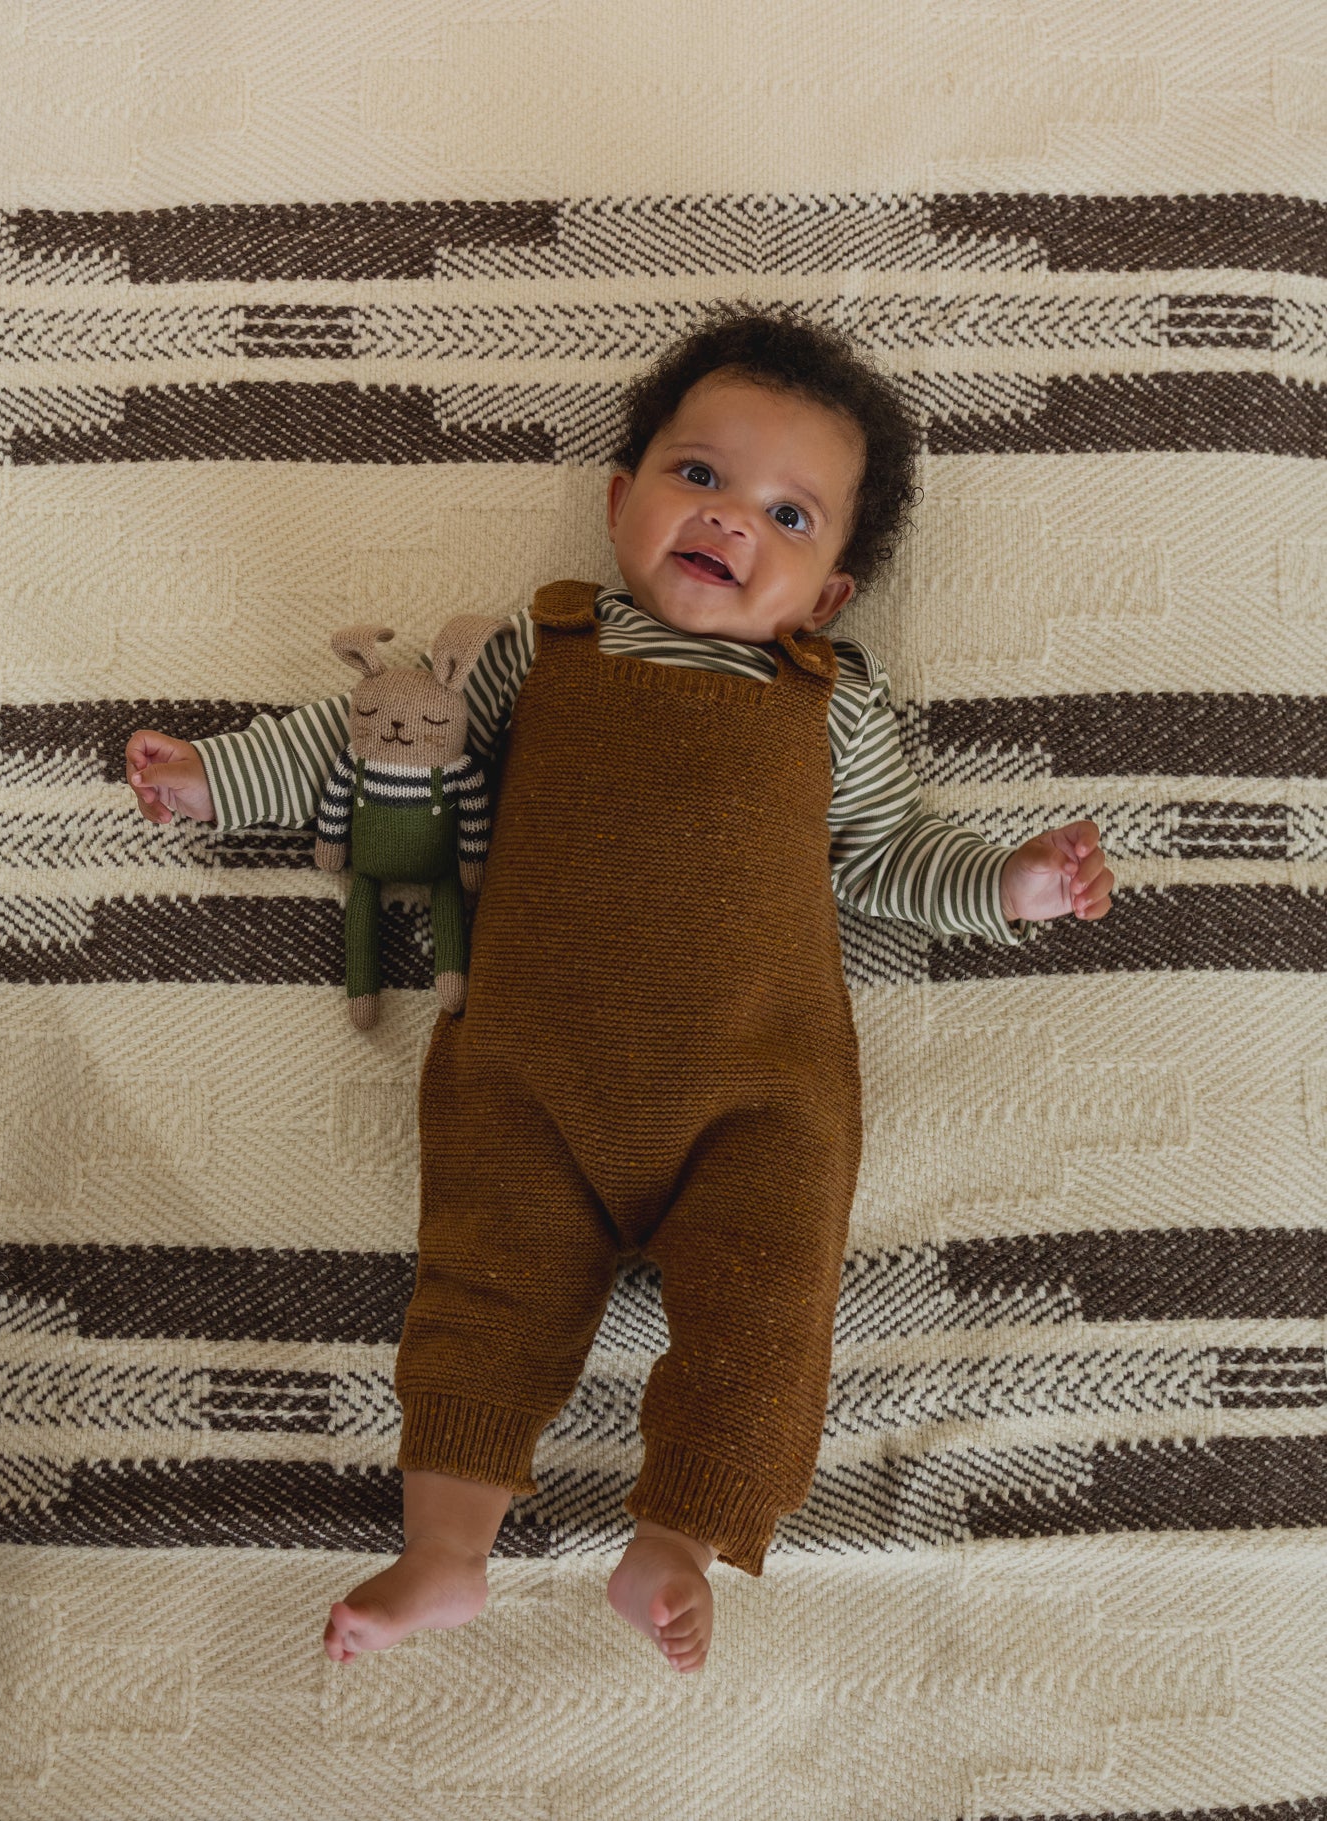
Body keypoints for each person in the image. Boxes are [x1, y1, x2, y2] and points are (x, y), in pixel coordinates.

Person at [125, 302, 1113, 1676]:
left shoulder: (829, 698)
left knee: (768, 1323)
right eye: (697, 474)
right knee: (478, 1306)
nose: (728, 520)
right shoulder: (545, 646)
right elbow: (390, 735)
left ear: (827, 595)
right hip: (530, 1081)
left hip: (758, 1100)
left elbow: (890, 859)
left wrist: (1012, 884)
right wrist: (218, 778)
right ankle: (444, 1551)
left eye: (786, 514)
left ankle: (678, 1537)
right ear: (616, 500)